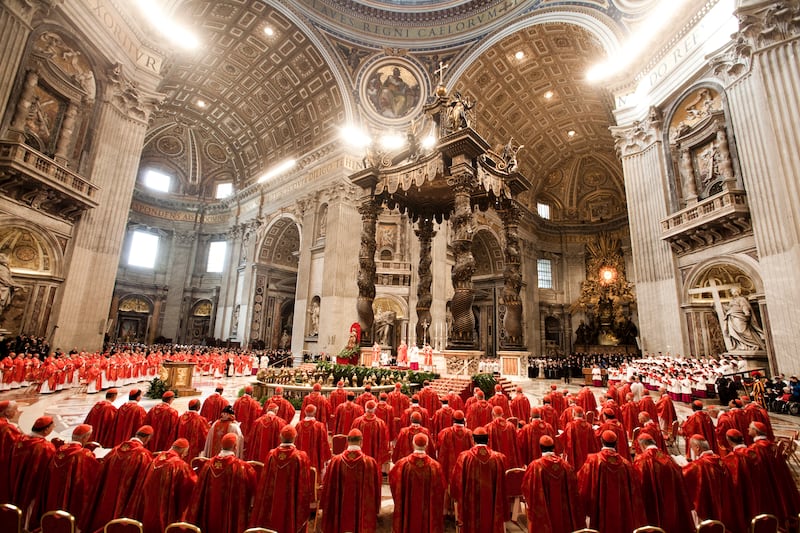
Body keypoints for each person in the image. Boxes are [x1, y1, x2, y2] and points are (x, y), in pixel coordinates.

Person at [83, 425, 155, 533]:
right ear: (147, 438)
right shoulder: (144, 455)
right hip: (127, 500)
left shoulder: (115, 450)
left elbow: (101, 473)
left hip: (107, 496)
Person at [185, 432, 257, 533]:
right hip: (230, 519)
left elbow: (198, 492)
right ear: (235, 447)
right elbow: (253, 489)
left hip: (209, 515)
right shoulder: (242, 467)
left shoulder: (207, 465)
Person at [578, 430, 647, 533]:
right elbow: (634, 489)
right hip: (621, 507)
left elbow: (582, 482)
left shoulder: (593, 460)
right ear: (616, 443)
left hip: (599, 506)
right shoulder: (626, 464)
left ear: (601, 441)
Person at [251, 425, 313, 533]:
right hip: (291, 501)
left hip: (272, 500)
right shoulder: (300, 457)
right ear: (295, 437)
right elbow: (304, 484)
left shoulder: (271, 455)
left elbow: (264, 482)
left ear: (280, 437)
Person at [127, 438, 197, 533]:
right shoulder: (179, 465)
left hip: (148, 507)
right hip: (165, 511)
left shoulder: (153, 461)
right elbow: (192, 486)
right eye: (186, 452)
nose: (186, 455)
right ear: (183, 450)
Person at [320, 428, 381, 533]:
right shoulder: (370, 462)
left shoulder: (335, 461)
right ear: (361, 442)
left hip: (340, 510)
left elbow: (327, 486)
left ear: (347, 441)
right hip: (361, 509)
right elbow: (376, 487)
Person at [682, 434, 744, 532]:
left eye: (692, 448)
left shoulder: (700, 464)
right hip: (721, 503)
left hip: (705, 504)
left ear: (698, 448)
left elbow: (683, 475)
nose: (692, 450)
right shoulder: (720, 460)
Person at [522, 435, 583, 533]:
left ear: (540, 448)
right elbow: (574, 490)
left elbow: (527, 488)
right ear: (553, 447)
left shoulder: (535, 466)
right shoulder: (566, 466)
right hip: (564, 514)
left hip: (544, 512)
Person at [634, 433, 694, 533]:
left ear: (643, 445)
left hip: (652, 503)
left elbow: (638, 484)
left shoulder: (641, 460)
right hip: (671, 503)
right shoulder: (669, 459)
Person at [450, 426, 506, 533]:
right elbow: (503, 486)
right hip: (492, 503)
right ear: (488, 440)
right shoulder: (499, 458)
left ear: (473, 440)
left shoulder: (464, 457)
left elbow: (456, 483)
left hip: (471, 503)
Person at [42, 423, 101, 520]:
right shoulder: (84, 454)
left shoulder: (60, 449)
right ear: (85, 438)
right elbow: (94, 472)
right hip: (73, 494)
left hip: (55, 491)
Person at [389, 432, 446, 533]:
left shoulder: (402, 464)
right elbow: (441, 489)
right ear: (427, 445)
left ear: (413, 444)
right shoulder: (435, 466)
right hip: (427, 510)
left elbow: (393, 482)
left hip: (408, 507)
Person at [747, 421, 800, 527]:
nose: (748, 429)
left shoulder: (756, 448)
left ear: (755, 431)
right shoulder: (771, 445)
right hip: (778, 480)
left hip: (764, 483)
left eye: (750, 428)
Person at [10, 416, 57, 529]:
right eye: (52, 426)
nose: (54, 428)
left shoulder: (20, 440)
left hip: (18, 480)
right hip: (35, 485)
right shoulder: (46, 447)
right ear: (46, 430)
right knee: (30, 509)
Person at [721, 429, 760, 528]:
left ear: (729, 441)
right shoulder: (753, 452)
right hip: (757, 491)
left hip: (739, 494)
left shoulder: (730, 458)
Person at [351, 400, 391, 468]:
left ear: (365, 408)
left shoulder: (357, 421)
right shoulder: (381, 423)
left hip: (358, 460)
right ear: (375, 409)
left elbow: (351, 438)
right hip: (375, 458)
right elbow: (384, 441)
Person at [294, 404, 331, 474]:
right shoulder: (319, 426)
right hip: (315, 460)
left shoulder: (298, 425)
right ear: (315, 413)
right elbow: (324, 443)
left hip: (300, 460)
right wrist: (327, 456)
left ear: (305, 412)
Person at [0, 400, 22, 504]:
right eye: (15, 410)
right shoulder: (7, 428)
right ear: (6, 412)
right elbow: (20, 444)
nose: (17, 412)